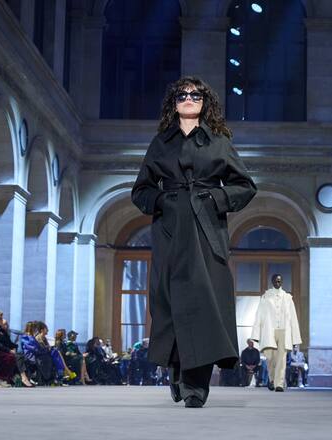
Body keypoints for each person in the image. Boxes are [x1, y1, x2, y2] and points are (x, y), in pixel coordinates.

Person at [132, 76, 256, 408]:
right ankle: (177, 369)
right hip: (170, 229)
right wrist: (163, 201)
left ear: (205, 102)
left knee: (204, 302)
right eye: (182, 95)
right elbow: (140, 190)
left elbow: (245, 186)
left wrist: (215, 199)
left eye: (196, 95)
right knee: (169, 301)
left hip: (207, 229)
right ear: (174, 103)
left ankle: (196, 384)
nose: (189, 98)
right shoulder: (160, 143)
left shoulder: (219, 142)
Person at [251, 274, 302, 392]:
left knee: (281, 358)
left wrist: (295, 338)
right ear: (272, 282)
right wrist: (256, 334)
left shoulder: (288, 298)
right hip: (269, 330)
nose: (277, 283)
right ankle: (272, 379)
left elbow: (293, 318)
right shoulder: (266, 296)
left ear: (282, 282)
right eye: (275, 281)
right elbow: (259, 315)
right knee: (270, 358)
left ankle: (279, 384)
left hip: (284, 330)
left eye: (279, 281)